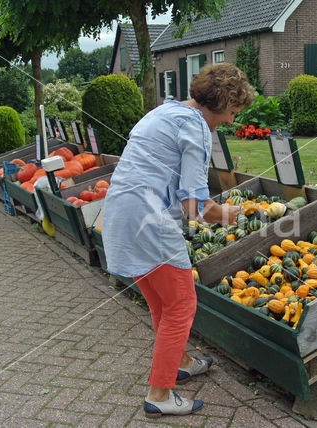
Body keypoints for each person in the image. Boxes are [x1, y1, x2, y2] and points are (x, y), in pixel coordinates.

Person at [101, 63, 254, 417]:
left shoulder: (167, 111)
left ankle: (180, 362)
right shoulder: (197, 128)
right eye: (232, 112)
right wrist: (231, 215)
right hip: (149, 219)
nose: (231, 120)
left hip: (121, 212)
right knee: (182, 304)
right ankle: (159, 394)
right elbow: (196, 206)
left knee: (162, 303)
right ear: (220, 105)